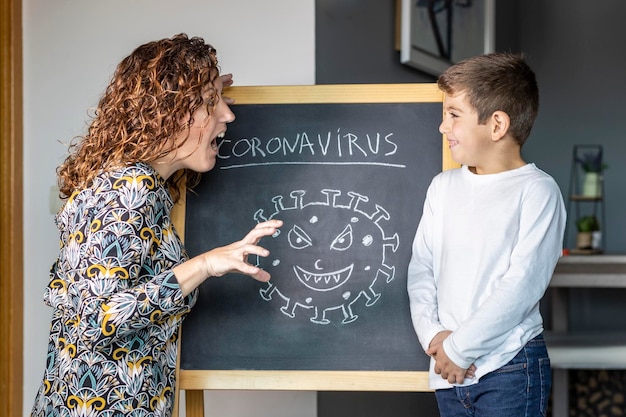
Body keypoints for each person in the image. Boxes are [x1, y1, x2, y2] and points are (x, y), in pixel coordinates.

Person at [30, 34, 282, 417]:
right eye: (210, 103)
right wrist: (205, 264)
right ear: (172, 112)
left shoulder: (131, 181)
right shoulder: (132, 188)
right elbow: (98, 319)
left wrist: (205, 98)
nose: (228, 115)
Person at [407, 52, 566, 417]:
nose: (442, 127)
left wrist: (460, 349)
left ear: (496, 125)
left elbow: (521, 285)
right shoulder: (442, 187)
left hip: (509, 367)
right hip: (447, 370)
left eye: (453, 115)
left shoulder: (537, 192)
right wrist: (434, 339)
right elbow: (421, 268)